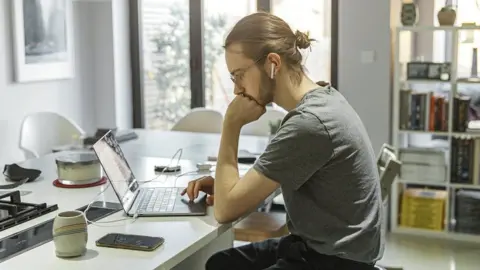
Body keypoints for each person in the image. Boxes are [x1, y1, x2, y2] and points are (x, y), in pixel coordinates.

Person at [181, 12, 384, 270]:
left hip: (334, 261)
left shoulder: (309, 123)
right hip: (328, 248)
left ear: (272, 63)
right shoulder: (325, 97)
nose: (236, 89)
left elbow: (225, 211)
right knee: (220, 263)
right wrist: (226, 189)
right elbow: (259, 184)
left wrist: (231, 124)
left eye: (239, 75)